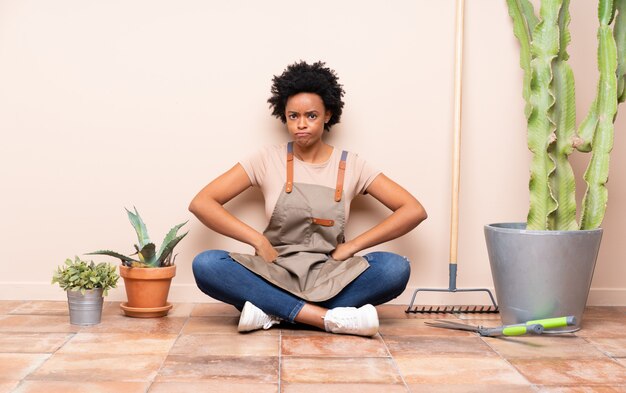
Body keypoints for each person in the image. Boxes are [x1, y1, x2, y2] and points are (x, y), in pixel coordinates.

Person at [189, 61, 427, 337]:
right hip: (274, 271)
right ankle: (325, 318)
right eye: (293, 116)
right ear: (284, 116)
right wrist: (258, 240)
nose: (301, 124)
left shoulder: (352, 165)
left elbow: (413, 210)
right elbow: (202, 202)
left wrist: (351, 248)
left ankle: (274, 312)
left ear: (328, 115)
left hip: (330, 273)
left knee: (395, 269)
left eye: (311, 116)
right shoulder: (266, 159)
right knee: (206, 265)